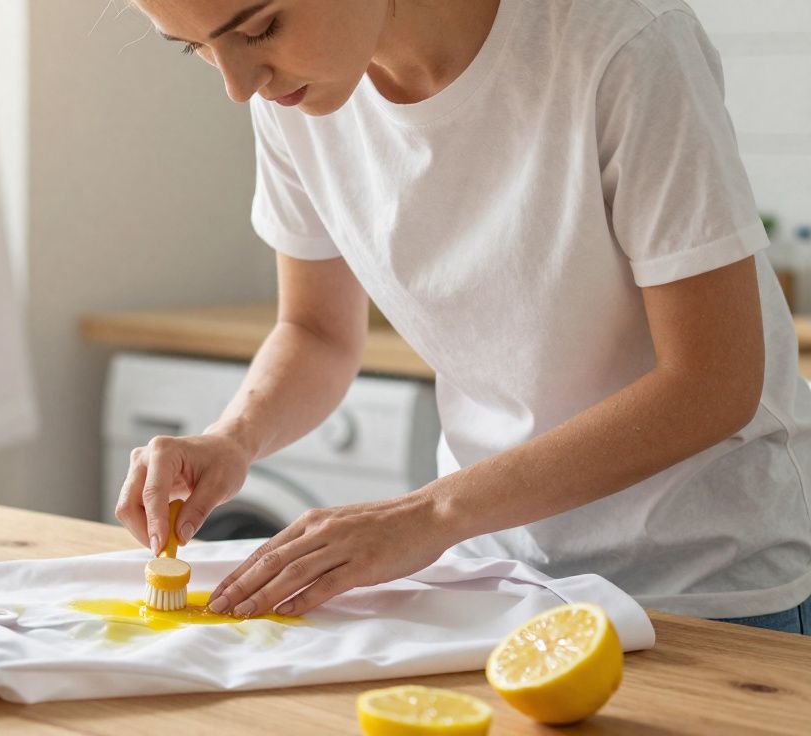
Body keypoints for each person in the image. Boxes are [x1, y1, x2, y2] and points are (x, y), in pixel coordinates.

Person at [112, 0, 811, 635]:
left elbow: (712, 383)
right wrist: (233, 440)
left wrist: (430, 513)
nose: (238, 84)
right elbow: (316, 332)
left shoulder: (624, 42)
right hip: (500, 576)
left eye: (261, 26)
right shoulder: (293, 97)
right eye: (193, 47)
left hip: (708, 587)